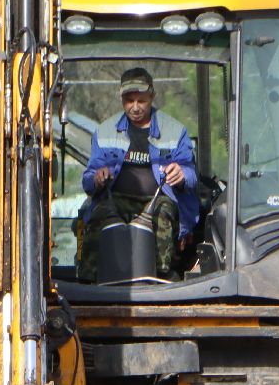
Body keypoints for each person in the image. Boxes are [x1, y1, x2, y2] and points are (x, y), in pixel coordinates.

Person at [79, 68, 199, 279]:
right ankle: (88, 279)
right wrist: (97, 177)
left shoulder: (175, 131)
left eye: (141, 101)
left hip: (156, 200)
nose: (135, 107)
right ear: (121, 98)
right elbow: (88, 179)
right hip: (117, 199)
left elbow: (191, 174)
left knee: (164, 213)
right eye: (129, 100)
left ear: (152, 96)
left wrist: (181, 175)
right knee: (98, 214)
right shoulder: (105, 131)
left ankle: (161, 276)